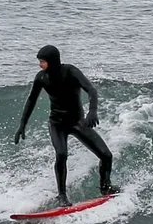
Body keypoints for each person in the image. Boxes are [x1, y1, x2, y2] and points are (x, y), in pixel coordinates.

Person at [13, 43, 118, 203]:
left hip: (77, 122)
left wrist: (92, 111)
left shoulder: (70, 71)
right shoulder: (41, 77)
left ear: (52, 61)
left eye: (42, 61)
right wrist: (22, 124)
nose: (39, 64)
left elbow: (91, 90)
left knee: (106, 155)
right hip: (57, 124)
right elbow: (31, 100)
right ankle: (62, 195)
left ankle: (105, 187)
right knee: (61, 154)